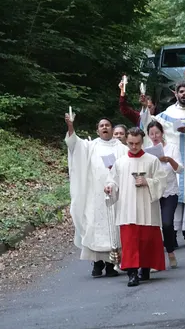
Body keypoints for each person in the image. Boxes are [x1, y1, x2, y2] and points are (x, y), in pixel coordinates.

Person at [139, 82, 185, 247]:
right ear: (176, 94)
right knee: (173, 197)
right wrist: (144, 108)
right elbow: (150, 125)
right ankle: (173, 234)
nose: (184, 94)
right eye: (181, 92)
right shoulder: (168, 114)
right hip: (171, 158)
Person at [65, 114, 128, 278]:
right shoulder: (90, 146)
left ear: (112, 129)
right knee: (95, 228)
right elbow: (74, 144)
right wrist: (71, 126)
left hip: (116, 197)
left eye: (107, 125)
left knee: (113, 228)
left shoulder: (122, 148)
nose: (105, 127)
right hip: (95, 195)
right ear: (97, 130)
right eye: (101, 125)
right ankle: (97, 263)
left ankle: (111, 264)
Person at [104, 128, 167, 287]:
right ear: (126, 141)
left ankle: (145, 269)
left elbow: (162, 181)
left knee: (146, 241)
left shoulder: (152, 160)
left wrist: (147, 182)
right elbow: (113, 181)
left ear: (142, 141)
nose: (134, 147)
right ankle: (132, 274)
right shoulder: (120, 162)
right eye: (131, 143)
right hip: (127, 208)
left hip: (147, 207)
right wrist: (110, 187)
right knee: (130, 242)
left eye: (137, 143)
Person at [146, 121, 183, 268]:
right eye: (152, 134)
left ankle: (170, 252)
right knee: (154, 226)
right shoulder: (146, 151)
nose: (155, 136)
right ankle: (156, 259)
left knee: (167, 223)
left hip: (169, 192)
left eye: (157, 133)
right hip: (153, 192)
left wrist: (169, 160)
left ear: (162, 133)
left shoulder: (172, 148)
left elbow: (180, 169)